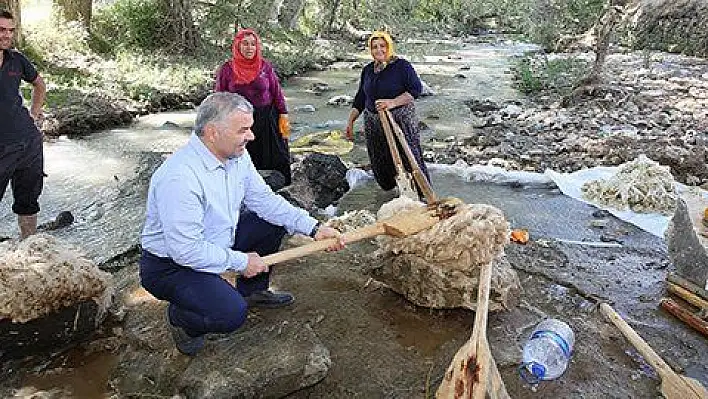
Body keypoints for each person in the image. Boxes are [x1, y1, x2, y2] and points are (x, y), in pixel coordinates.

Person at [140, 92, 344, 356]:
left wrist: (314, 229)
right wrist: (241, 262)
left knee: (270, 221)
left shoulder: (237, 156)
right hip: (172, 265)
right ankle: (182, 318)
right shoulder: (179, 178)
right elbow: (185, 250)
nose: (252, 137)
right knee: (231, 314)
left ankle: (253, 290)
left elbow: (266, 201)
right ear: (213, 132)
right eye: (243, 130)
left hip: (217, 242)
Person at [345, 31, 430, 193]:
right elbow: (361, 97)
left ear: (389, 47)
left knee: (409, 158)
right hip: (374, 123)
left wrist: (392, 103)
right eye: (375, 47)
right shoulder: (368, 70)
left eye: (382, 46)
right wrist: (350, 122)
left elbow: (415, 90)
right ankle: (391, 195)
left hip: (400, 120)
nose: (379, 50)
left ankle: (422, 195)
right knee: (380, 162)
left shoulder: (401, 66)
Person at [215, 28, 292, 187]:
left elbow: (276, 92)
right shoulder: (227, 69)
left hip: (266, 119)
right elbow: (219, 97)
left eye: (253, 44)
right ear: (237, 46)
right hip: (238, 122)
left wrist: (283, 116)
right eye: (245, 44)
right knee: (241, 161)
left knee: (278, 157)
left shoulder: (265, 67)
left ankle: (282, 193)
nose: (249, 48)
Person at [0, 11, 47, 240]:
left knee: (28, 202)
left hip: (28, 143)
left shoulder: (16, 59)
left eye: (10, 30)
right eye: (2, 30)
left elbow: (39, 84)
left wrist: (34, 114)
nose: (7, 35)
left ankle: (28, 249)